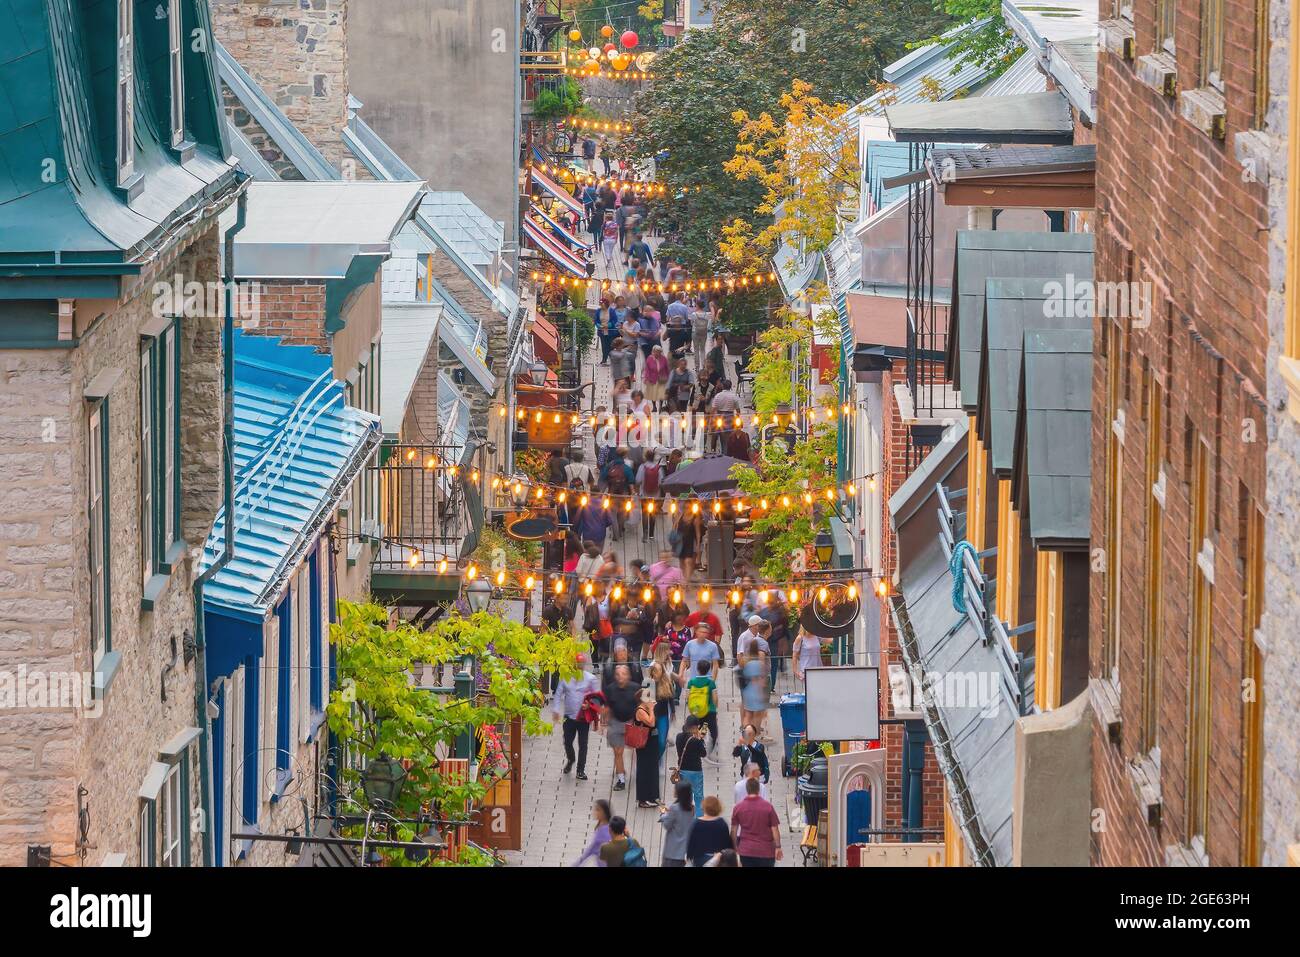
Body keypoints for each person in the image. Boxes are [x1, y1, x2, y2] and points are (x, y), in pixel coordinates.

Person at [552, 653, 599, 779]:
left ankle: (580, 770)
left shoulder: (590, 678)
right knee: (567, 742)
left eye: (581, 664)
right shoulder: (565, 678)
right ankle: (571, 759)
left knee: (583, 744)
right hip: (569, 717)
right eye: (577, 664)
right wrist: (556, 710)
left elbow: (597, 698)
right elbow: (558, 694)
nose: (579, 666)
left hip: (583, 718)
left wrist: (589, 705)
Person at [602, 661, 641, 791]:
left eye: (623, 674)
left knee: (635, 749)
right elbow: (607, 707)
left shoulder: (636, 688)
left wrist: (638, 721)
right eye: (618, 674)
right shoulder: (610, 689)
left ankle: (636, 770)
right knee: (618, 752)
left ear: (628, 675)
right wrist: (603, 723)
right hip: (616, 723)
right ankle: (621, 779)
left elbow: (642, 704)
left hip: (632, 722)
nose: (620, 677)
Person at [731, 776, 783, 866]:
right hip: (766, 851)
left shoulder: (738, 807)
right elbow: (775, 829)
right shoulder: (768, 807)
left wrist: (735, 847)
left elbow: (733, 830)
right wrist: (778, 847)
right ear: (758, 789)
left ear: (747, 790)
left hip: (746, 851)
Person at [674, 716, 708, 816]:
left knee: (685, 796)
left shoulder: (679, 737)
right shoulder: (695, 741)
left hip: (683, 770)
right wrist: (700, 739)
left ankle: (685, 817)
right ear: (694, 727)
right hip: (695, 771)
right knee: (698, 796)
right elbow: (703, 753)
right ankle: (699, 818)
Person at [686, 795, 734, 865]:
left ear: (704, 808)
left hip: (700, 859)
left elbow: (691, 844)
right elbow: (727, 844)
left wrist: (689, 856)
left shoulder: (696, 823)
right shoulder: (722, 823)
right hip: (717, 860)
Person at [685, 659, 720, 753]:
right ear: (708, 669)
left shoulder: (691, 682)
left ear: (697, 669)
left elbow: (687, 697)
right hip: (709, 711)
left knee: (699, 728)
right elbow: (715, 698)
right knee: (712, 731)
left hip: (697, 710)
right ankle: (709, 751)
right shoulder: (710, 683)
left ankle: (698, 745)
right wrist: (715, 708)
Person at [633, 688, 660, 807]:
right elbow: (651, 723)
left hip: (652, 742)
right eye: (648, 697)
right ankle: (643, 799)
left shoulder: (647, 708)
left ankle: (653, 796)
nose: (651, 699)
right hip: (644, 744)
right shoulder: (640, 711)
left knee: (653, 769)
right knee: (644, 769)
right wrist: (652, 709)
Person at [658, 782, 696, 867]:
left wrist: (663, 815)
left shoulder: (674, 808)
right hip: (684, 851)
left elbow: (667, 825)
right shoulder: (691, 808)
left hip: (672, 851)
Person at [739, 638, 770, 735]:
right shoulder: (760, 664)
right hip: (756, 690)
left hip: (747, 690)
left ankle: (745, 731)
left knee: (748, 714)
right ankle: (755, 732)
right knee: (757, 714)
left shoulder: (745, 662)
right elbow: (762, 680)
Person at [573, 800, 613, 866]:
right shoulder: (603, 826)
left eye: (598, 810)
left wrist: (578, 862)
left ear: (605, 813)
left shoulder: (604, 831)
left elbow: (591, 849)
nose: (595, 812)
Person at [636, 452, 663, 541]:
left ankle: (645, 535)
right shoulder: (658, 468)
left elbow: (638, 480)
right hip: (655, 495)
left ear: (646, 457)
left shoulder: (642, 467)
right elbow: (660, 482)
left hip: (644, 495)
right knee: (653, 513)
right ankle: (651, 535)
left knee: (644, 513)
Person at [642, 345, 670, 411]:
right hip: (652, 378)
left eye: (659, 352)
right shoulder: (649, 358)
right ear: (653, 352)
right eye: (656, 352)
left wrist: (668, 378)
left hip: (662, 379)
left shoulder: (664, 358)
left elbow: (667, 369)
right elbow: (647, 369)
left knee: (661, 393)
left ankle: (660, 405)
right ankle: (654, 406)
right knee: (653, 393)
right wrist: (646, 378)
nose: (657, 353)